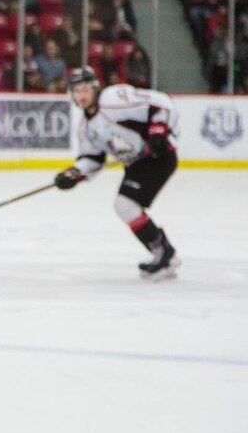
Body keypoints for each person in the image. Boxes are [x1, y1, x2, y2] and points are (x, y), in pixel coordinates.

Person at [54, 67, 180, 280]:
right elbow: (93, 159)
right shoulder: (85, 126)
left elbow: (162, 103)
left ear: (95, 88)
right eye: (76, 91)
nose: (81, 95)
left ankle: (165, 254)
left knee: (125, 204)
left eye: (85, 89)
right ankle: (164, 253)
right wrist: (73, 174)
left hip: (159, 157)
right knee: (125, 206)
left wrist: (158, 132)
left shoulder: (114, 99)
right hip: (137, 163)